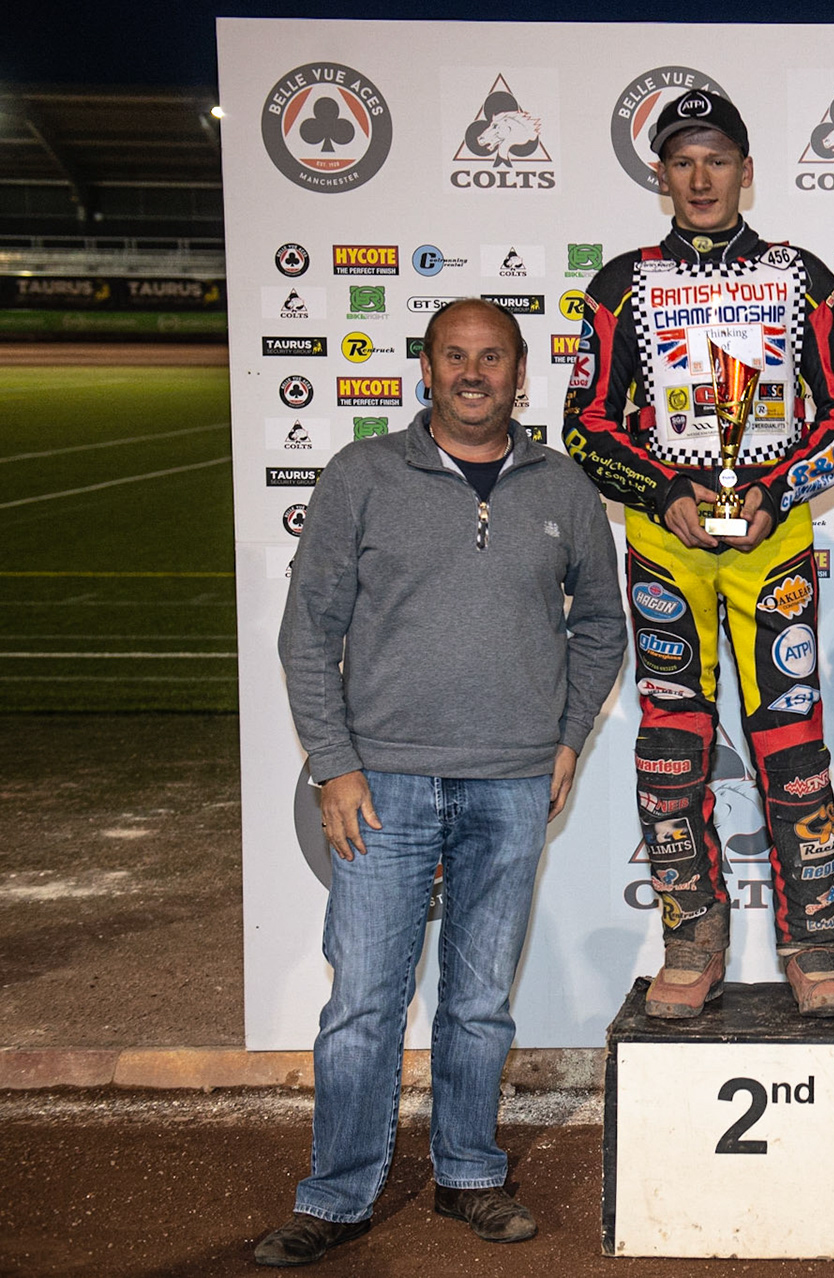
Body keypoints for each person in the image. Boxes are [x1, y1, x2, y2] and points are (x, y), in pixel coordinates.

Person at [260, 298, 626, 1265]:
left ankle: (468, 1173)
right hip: (384, 784)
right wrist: (333, 765)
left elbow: (600, 626)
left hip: (511, 785)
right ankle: (337, 1194)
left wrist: (565, 740)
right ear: (426, 370)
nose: (474, 373)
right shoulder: (362, 476)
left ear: (519, 374)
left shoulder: (564, 485)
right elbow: (309, 633)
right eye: (455, 356)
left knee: (478, 1001)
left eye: (492, 358)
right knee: (364, 1003)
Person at [563, 90, 834, 1018]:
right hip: (668, 545)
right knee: (671, 749)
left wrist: (778, 489)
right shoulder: (621, 285)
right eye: (682, 161)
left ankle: (814, 945)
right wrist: (663, 492)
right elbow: (584, 424)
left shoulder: (802, 276)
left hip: (771, 541)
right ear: (660, 176)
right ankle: (691, 943)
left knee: (790, 744)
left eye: (717, 159)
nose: (700, 178)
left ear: (747, 170)